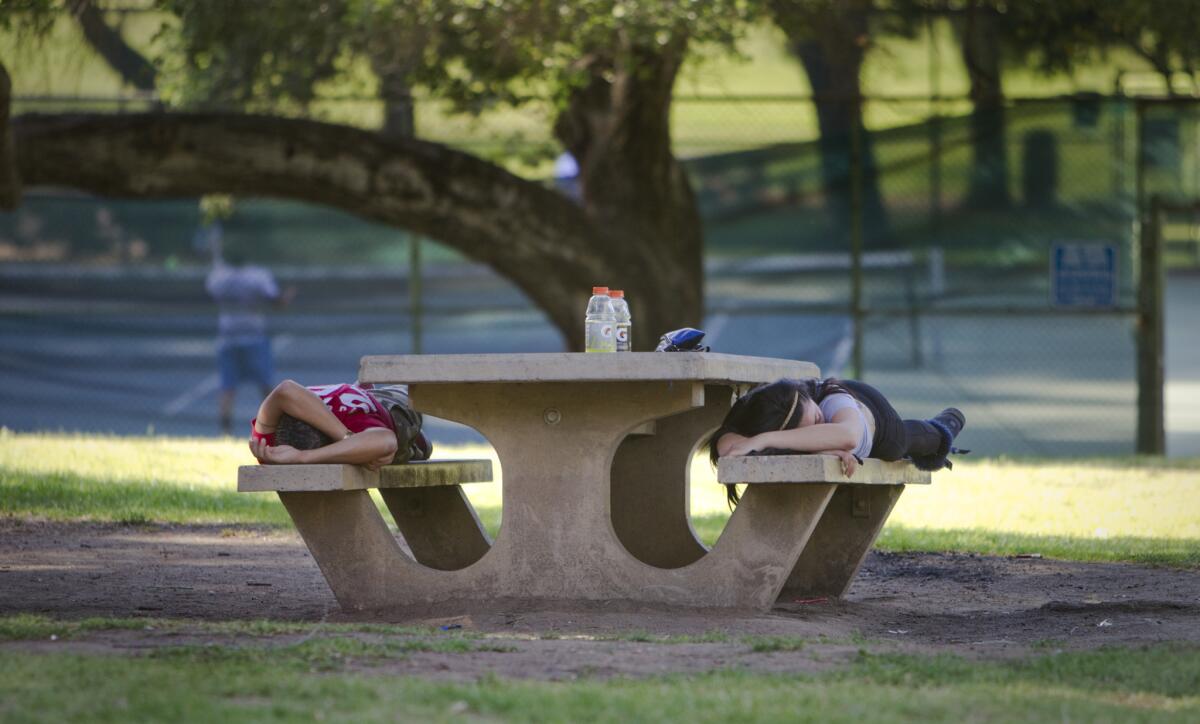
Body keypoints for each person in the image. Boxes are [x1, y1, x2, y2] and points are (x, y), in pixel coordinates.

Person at [707, 378, 967, 506]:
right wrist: (820, 447)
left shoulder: (831, 401)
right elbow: (726, 446)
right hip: (850, 422)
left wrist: (764, 439)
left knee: (903, 444)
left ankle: (943, 426)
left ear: (805, 396)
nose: (821, 428)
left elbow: (848, 436)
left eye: (818, 419)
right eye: (811, 431)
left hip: (875, 418)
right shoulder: (763, 411)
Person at [206, 245, 294, 435]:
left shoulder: (219, 276)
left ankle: (225, 431)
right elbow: (276, 300)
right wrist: (286, 297)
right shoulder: (257, 276)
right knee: (267, 386)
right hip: (253, 336)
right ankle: (276, 428)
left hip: (228, 336)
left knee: (227, 387)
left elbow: (210, 295)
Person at [248, 380, 431, 469]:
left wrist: (304, 457)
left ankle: (415, 444)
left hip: (392, 407)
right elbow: (285, 390)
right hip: (361, 402)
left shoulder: (350, 420)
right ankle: (361, 389)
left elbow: (387, 440)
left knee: (410, 397)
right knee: (384, 450)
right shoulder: (273, 447)